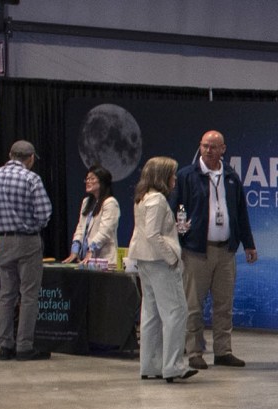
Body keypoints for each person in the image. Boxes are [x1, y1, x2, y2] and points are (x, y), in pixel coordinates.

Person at [172, 131, 257, 369]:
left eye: (213, 146)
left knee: (223, 304)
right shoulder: (187, 176)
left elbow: (241, 212)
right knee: (194, 305)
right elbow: (175, 210)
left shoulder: (230, 175)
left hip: (226, 251)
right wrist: (180, 241)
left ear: (223, 149)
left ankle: (223, 350)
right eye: (205, 146)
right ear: (199, 147)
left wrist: (249, 244)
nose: (208, 150)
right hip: (197, 251)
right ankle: (194, 351)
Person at [0, 140, 53, 361]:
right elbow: (44, 212)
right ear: (30, 159)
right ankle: (24, 346)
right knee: (29, 294)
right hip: (27, 241)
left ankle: (5, 345)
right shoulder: (31, 178)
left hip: (2, 241)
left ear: (10, 154)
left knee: (6, 294)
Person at [127, 156, 196, 383]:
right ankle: (173, 366)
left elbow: (149, 231)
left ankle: (151, 364)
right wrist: (172, 258)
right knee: (176, 311)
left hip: (144, 260)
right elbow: (153, 235)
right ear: (162, 176)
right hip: (159, 261)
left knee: (151, 313)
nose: (175, 178)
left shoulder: (143, 198)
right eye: (172, 174)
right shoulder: (157, 200)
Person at [62, 166, 120, 267]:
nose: (88, 181)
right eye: (87, 179)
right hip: (85, 259)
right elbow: (80, 227)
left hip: (104, 259)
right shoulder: (86, 202)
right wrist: (75, 250)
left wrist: (91, 249)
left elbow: (105, 232)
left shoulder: (110, 203)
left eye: (92, 179)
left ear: (102, 182)